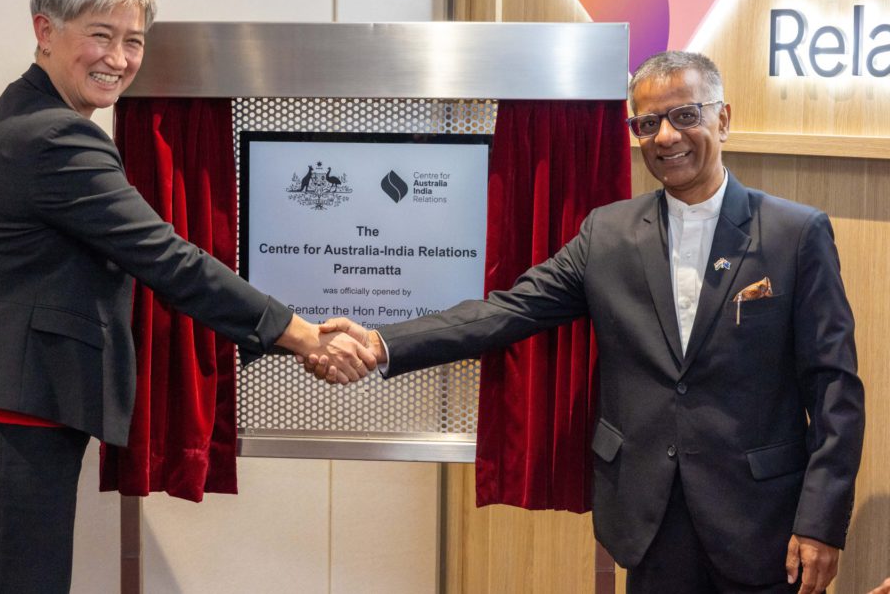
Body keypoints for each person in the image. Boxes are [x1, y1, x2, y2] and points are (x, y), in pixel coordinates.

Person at [313, 51, 865, 593]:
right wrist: (383, 343)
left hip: (760, 519)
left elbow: (835, 388)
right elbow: (509, 310)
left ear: (723, 117)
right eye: (647, 123)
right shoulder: (609, 234)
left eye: (685, 115)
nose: (666, 137)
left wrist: (820, 521)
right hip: (650, 517)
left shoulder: (796, 234)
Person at [0, 0, 373, 593]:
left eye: (133, 41)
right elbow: (168, 258)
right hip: (3, 419)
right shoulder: (54, 138)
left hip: (1, 412)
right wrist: (300, 334)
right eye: (100, 35)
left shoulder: (33, 118)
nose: (119, 59)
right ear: (45, 31)